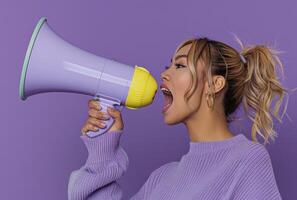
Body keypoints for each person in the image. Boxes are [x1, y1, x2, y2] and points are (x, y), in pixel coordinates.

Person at [68, 36, 288, 200]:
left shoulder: (247, 160)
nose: (164, 74)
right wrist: (103, 151)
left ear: (214, 84)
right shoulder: (162, 178)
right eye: (169, 65)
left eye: (180, 65)